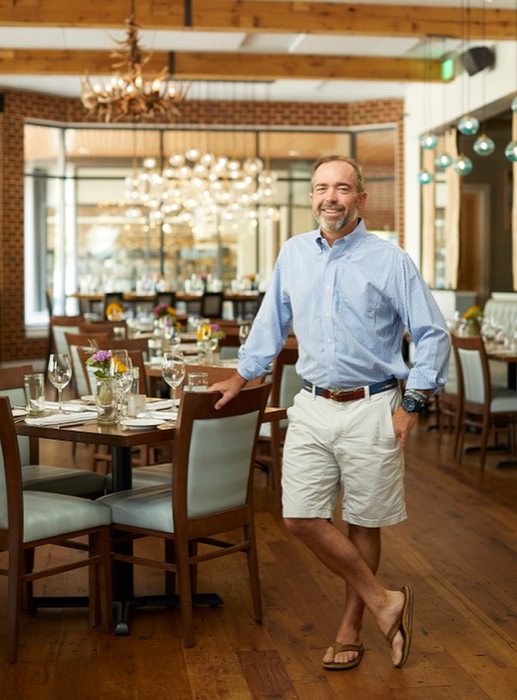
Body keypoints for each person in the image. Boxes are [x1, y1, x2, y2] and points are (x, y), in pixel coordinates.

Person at [211, 155, 450, 670]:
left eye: (342, 189)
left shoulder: (390, 260)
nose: (330, 198)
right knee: (298, 517)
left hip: (374, 405)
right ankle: (385, 599)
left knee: (363, 520)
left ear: (360, 199)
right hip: (312, 403)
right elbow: (270, 321)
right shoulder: (294, 253)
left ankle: (350, 627)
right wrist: (242, 374)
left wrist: (412, 404)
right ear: (312, 197)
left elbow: (432, 334)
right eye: (322, 188)